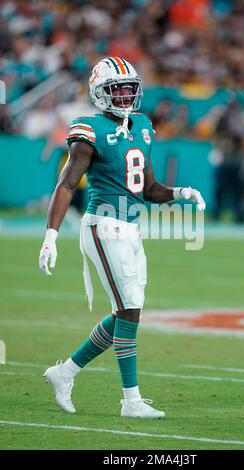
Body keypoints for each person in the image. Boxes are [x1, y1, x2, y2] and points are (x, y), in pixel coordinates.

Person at [39, 56, 205, 419]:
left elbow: (149, 188)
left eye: (131, 89)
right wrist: (50, 235)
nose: (127, 96)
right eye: (119, 89)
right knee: (128, 308)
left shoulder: (143, 126)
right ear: (101, 93)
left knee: (128, 311)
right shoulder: (88, 129)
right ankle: (130, 400)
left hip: (131, 226)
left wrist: (180, 193)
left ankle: (64, 372)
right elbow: (67, 184)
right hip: (102, 225)